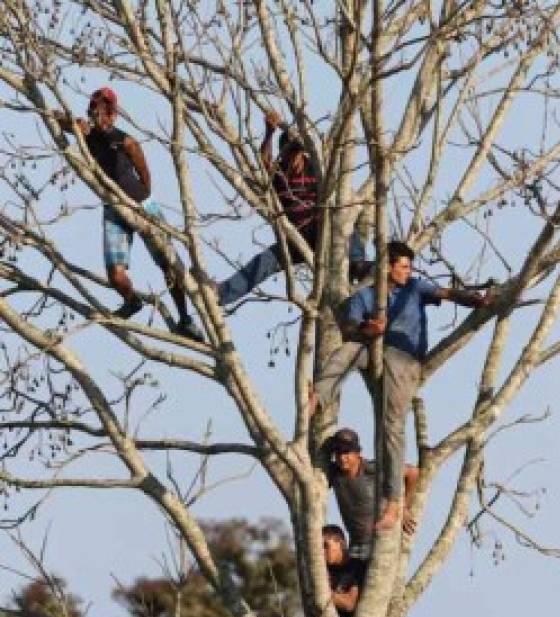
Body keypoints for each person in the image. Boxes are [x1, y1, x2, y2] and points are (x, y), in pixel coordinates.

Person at [311, 240, 492, 529]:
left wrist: (475, 300)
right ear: (387, 267)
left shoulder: (415, 288)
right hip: (371, 350)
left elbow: (446, 293)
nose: (408, 272)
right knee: (346, 351)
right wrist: (369, 329)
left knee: (390, 427)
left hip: (402, 359)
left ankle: (393, 503)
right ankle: (316, 398)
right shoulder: (365, 296)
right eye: (403, 267)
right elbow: (350, 327)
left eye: (409, 267)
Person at [55, 87, 202, 339]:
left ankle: (185, 319)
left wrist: (141, 204)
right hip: (113, 209)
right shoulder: (85, 133)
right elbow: (59, 118)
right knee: (115, 275)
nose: (99, 115)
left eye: (105, 111)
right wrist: (66, 119)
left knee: (168, 265)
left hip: (143, 207)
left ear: (113, 116)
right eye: (95, 110)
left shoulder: (127, 142)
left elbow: (145, 175)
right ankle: (132, 302)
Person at [217, 112, 370, 307]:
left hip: (322, 230)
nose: (294, 161)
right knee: (264, 262)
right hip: (296, 237)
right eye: (289, 155)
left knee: (344, 224)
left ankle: (359, 265)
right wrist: (269, 133)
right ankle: (222, 294)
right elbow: (264, 162)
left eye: (297, 155)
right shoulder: (279, 173)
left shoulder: (316, 168)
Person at [327, 427, 419, 560]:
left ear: (357, 453)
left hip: (380, 543)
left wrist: (403, 507)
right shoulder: (334, 473)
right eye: (338, 453)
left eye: (347, 452)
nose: (342, 458)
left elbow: (412, 473)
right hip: (355, 544)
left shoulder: (372, 469)